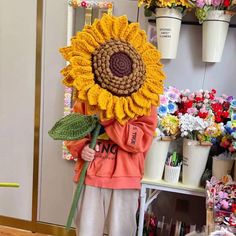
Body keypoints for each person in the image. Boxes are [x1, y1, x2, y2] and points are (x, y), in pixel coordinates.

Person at [65, 99, 157, 236]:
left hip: (124, 178)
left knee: (121, 231)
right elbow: (72, 129)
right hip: (90, 176)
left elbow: (141, 140)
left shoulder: (145, 98)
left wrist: (110, 120)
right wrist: (81, 147)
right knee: (86, 231)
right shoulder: (89, 92)